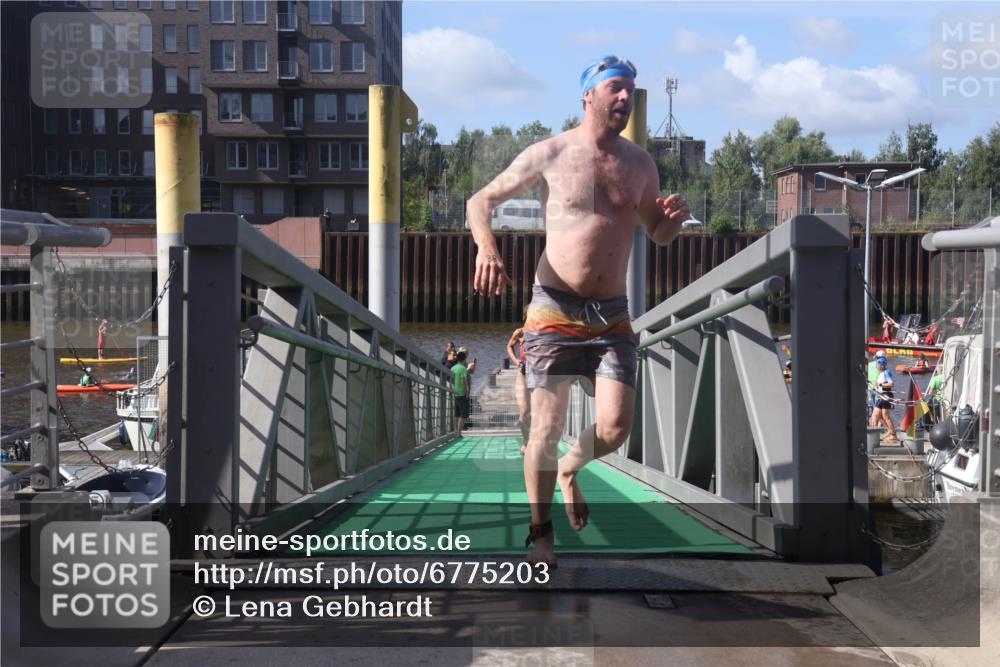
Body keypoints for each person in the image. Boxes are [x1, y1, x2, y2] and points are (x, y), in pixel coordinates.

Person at [467, 55, 690, 566]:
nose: (625, 97)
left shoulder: (641, 164)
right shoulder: (551, 152)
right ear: (588, 95)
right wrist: (486, 248)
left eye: (630, 89)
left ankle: (571, 468)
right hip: (553, 309)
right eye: (615, 88)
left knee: (615, 427)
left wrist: (673, 221)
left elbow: (657, 232)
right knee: (544, 430)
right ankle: (542, 533)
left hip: (611, 314)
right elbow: (480, 201)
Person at [506, 306, 531, 453]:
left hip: (540, 374)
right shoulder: (520, 332)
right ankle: (526, 441)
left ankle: (536, 440)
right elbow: (509, 346)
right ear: (525, 316)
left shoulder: (543, 332)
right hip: (523, 373)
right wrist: (516, 362)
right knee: (524, 411)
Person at [872, 357, 898, 443]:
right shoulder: (881, 373)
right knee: (877, 415)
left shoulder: (886, 372)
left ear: (882, 366)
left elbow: (891, 384)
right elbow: (880, 384)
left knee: (886, 416)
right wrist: (877, 386)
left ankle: (893, 435)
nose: (876, 366)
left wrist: (880, 385)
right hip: (881, 396)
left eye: (877, 364)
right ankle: (889, 430)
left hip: (886, 396)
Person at [452, 350, 471, 434]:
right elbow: (463, 382)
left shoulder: (453, 368)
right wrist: (467, 393)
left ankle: (455, 431)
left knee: (457, 414)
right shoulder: (463, 369)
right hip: (462, 394)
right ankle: (459, 433)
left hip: (455, 393)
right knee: (462, 415)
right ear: (464, 359)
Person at [867, 350, 886, 424]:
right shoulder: (882, 365)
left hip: (869, 388)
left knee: (871, 407)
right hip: (878, 390)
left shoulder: (869, 364)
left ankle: (871, 424)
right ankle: (877, 425)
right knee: (878, 408)